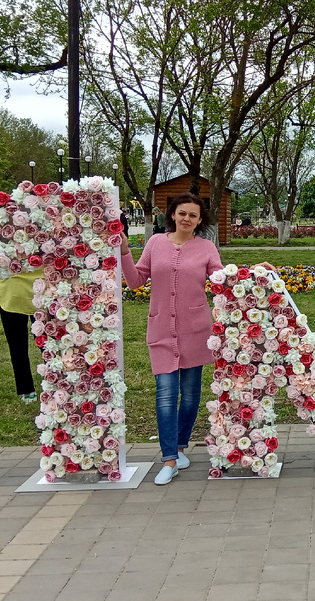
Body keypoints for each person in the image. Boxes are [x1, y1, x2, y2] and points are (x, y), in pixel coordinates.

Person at [122, 193, 223, 485]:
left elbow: (223, 280)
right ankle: (168, 460)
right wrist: (124, 252)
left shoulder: (206, 248)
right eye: (182, 213)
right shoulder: (156, 243)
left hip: (196, 330)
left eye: (193, 215)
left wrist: (256, 272)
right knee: (165, 394)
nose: (186, 219)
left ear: (200, 220)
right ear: (173, 215)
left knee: (190, 395)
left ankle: (179, 448)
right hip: (162, 330)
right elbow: (136, 281)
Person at [0, 271, 44, 401]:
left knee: (43, 343)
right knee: (43, 343)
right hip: (18, 289)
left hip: (37, 288)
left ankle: (29, 389)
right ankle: (29, 388)